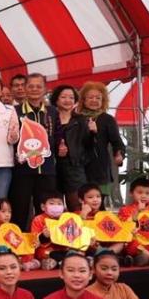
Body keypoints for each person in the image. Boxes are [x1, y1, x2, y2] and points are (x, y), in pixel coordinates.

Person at [10, 73, 59, 229]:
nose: (34, 89)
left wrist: (62, 147)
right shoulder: (14, 111)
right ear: (25, 88)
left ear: (45, 89)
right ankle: (19, 246)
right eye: (31, 86)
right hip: (22, 169)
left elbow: (58, 136)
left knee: (46, 211)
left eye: (39, 86)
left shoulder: (52, 112)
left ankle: (45, 245)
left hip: (47, 169)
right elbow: (11, 139)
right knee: (20, 209)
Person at [77, 81, 125, 197]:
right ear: (83, 100)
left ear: (103, 101)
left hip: (100, 166)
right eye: (90, 97)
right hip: (79, 166)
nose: (94, 100)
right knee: (80, 201)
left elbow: (117, 142)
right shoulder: (76, 118)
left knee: (99, 201)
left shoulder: (108, 119)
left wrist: (119, 154)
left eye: (98, 98)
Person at [50, 85, 91, 213]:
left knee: (76, 206)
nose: (67, 100)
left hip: (74, 168)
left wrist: (93, 132)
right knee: (54, 208)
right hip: (52, 167)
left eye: (71, 97)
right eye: (63, 97)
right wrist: (57, 151)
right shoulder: (49, 118)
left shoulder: (81, 121)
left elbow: (89, 146)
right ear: (56, 100)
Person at [0, 197, 39, 270]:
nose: (7, 215)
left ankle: (21, 264)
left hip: (12, 252)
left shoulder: (11, 227)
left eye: (9, 212)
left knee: (29, 253)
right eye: (3, 211)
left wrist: (30, 243)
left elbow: (18, 243)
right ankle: (18, 264)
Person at [29, 191, 70, 270]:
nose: (56, 206)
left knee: (73, 253)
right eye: (51, 203)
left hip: (63, 249)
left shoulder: (66, 219)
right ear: (43, 207)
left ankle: (60, 263)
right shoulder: (38, 219)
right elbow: (34, 242)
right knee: (51, 254)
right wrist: (43, 236)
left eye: (59, 204)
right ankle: (61, 263)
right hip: (46, 250)